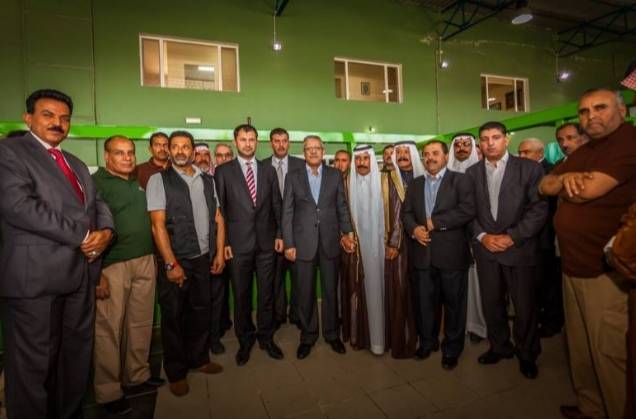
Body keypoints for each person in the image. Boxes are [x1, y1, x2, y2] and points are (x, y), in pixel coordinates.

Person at [0, 89, 115, 418]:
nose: (57, 123)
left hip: (79, 277)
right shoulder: (9, 152)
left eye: (64, 118)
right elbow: (19, 207)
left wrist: (106, 232)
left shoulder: (74, 163)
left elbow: (98, 203)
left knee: (74, 361)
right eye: (48, 115)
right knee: (32, 369)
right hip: (35, 281)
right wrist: (84, 236)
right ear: (28, 118)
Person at [539, 88, 635, 419]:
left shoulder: (627, 142)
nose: (591, 115)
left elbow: (587, 192)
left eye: (600, 107)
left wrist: (563, 184)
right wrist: (567, 178)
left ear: (622, 110)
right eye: (584, 111)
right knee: (580, 349)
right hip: (572, 265)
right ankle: (591, 408)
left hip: (605, 272)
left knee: (609, 353)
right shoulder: (587, 149)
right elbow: (544, 185)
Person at [147, 130, 226, 396]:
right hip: (177, 260)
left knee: (201, 311)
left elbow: (218, 218)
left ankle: (199, 359)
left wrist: (218, 253)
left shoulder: (207, 179)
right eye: (175, 146)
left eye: (185, 147)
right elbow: (157, 226)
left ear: (193, 151)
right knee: (173, 317)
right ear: (169, 150)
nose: (180, 151)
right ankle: (176, 372)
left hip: (203, 258)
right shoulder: (159, 180)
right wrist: (171, 264)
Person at [467, 121, 547, 380]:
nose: (490, 143)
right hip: (487, 250)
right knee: (492, 304)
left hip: (519, 249)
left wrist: (512, 237)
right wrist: (482, 236)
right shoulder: (471, 172)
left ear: (506, 140)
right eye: (484, 139)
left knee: (525, 306)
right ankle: (500, 347)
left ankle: (527, 354)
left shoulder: (529, 169)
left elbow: (538, 209)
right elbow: (467, 211)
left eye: (495, 137)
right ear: (480, 143)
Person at [92, 135, 162, 415]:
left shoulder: (137, 182)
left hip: (144, 260)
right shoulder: (96, 184)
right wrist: (96, 274)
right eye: (119, 153)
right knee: (108, 330)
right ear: (106, 156)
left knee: (140, 322)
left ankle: (137, 375)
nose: (127, 158)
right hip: (113, 265)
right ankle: (108, 391)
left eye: (130, 152)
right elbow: (89, 228)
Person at [214, 124, 285, 366]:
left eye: (252, 139)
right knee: (241, 296)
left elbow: (277, 205)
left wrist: (280, 234)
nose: (247, 143)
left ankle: (266, 337)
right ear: (236, 142)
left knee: (267, 294)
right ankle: (245, 340)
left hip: (266, 245)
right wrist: (224, 242)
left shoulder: (268, 170)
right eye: (243, 139)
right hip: (237, 245)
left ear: (257, 142)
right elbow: (221, 211)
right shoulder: (223, 171)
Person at [403, 140, 475, 369]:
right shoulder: (415, 184)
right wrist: (414, 229)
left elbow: (468, 210)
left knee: (454, 305)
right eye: (426, 154)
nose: (430, 157)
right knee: (424, 303)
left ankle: (452, 349)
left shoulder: (461, 180)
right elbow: (406, 213)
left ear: (445, 156)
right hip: (422, 254)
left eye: (435, 153)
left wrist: (436, 222)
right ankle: (427, 343)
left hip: (452, 255)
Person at [282, 135, 355, 359]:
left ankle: (332, 334)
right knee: (305, 293)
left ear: (323, 151)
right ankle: (308, 336)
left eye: (317, 148)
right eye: (308, 148)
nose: (313, 152)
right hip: (302, 243)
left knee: (330, 291)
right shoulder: (292, 176)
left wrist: (348, 233)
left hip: (330, 242)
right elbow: (287, 211)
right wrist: (289, 243)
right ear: (303, 152)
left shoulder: (334, 175)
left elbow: (341, 206)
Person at [381, 141, 422, 359]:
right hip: (400, 246)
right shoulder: (388, 178)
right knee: (401, 290)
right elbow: (396, 214)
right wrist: (395, 243)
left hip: (423, 242)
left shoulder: (423, 177)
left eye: (406, 152)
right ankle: (404, 339)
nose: (402, 156)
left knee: (423, 291)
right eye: (399, 153)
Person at [518, 138, 563, 338]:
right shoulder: (521, 170)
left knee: (547, 282)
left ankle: (551, 321)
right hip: (524, 237)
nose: (522, 156)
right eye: (520, 152)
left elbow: (548, 207)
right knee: (531, 283)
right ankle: (534, 318)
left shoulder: (552, 172)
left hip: (545, 236)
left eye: (526, 152)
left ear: (540, 153)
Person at [262, 128, 305, 330]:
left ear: (289, 142)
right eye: (276, 141)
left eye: (284, 141)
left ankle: (297, 314)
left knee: (299, 277)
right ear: (270, 143)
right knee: (276, 279)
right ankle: (278, 315)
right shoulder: (261, 166)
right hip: (271, 235)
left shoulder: (301, 165)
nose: (281, 144)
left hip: (298, 233)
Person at [346, 145, 386, 355]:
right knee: (359, 293)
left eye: (365, 158)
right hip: (356, 251)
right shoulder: (346, 184)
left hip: (382, 250)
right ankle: (363, 337)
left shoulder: (384, 183)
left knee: (381, 292)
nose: (361, 162)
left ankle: (380, 340)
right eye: (358, 159)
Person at [447, 133, 486, 344]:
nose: (461, 148)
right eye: (458, 145)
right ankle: (458, 326)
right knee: (455, 287)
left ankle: (478, 326)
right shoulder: (447, 173)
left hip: (477, 238)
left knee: (478, 283)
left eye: (466, 144)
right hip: (451, 240)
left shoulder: (480, 173)